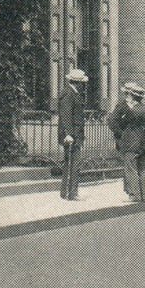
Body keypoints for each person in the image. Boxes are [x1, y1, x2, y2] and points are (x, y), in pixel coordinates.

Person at [108, 81, 145, 203]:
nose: (125, 95)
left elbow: (112, 120)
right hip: (143, 141)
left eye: (126, 93)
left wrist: (120, 133)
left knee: (130, 167)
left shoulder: (124, 108)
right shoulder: (144, 109)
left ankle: (134, 194)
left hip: (130, 141)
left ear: (130, 95)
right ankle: (143, 194)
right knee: (141, 168)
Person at [57, 69, 90, 201]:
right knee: (73, 163)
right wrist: (68, 134)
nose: (83, 85)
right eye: (81, 83)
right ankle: (70, 193)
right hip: (71, 136)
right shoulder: (68, 94)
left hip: (75, 134)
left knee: (72, 163)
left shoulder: (73, 93)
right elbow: (66, 116)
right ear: (76, 82)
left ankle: (67, 192)